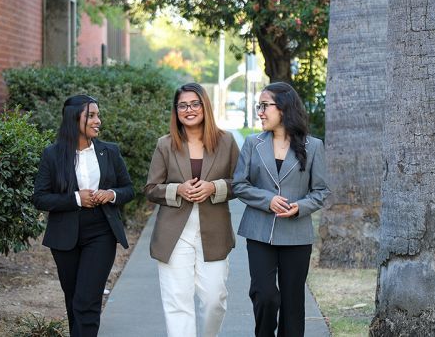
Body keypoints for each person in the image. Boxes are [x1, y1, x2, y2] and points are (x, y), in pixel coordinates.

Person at [232, 82, 330, 337]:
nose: (260, 112)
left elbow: (320, 192)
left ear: (284, 108)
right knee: (265, 295)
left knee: (292, 304)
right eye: (259, 106)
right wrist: (267, 200)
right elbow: (239, 185)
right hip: (259, 232)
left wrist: (300, 207)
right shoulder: (253, 144)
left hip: (296, 235)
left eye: (265, 106)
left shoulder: (313, 146)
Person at [33, 94, 135, 337]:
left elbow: (128, 189)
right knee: (73, 300)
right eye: (91, 115)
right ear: (73, 119)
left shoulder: (109, 151)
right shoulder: (53, 154)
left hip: (101, 232)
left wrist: (110, 194)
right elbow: (40, 197)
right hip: (65, 235)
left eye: (98, 115)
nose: (98, 120)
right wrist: (77, 198)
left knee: (87, 301)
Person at [145, 82, 240, 337]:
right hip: (174, 234)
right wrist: (177, 190)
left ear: (205, 106)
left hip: (215, 232)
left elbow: (241, 184)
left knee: (214, 300)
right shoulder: (165, 144)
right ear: (176, 111)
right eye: (182, 106)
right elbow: (151, 188)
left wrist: (214, 187)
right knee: (177, 303)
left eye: (194, 104)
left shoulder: (226, 141)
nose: (189, 110)